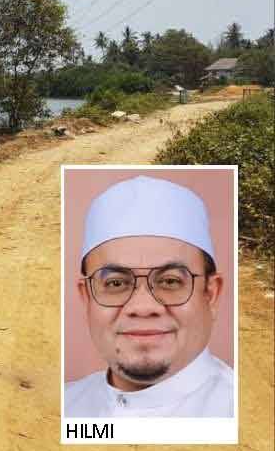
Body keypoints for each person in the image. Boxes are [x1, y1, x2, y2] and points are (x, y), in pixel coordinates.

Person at [64, 175, 234, 417]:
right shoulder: (61, 408)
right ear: (87, 298)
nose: (143, 307)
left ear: (211, 294)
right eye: (116, 283)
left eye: (170, 281)